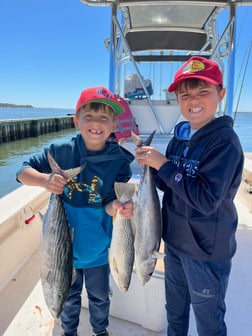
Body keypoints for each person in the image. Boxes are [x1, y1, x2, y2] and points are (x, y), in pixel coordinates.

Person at [135, 56, 244, 336]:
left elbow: (206, 201)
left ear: (221, 94)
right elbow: (168, 184)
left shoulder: (225, 142)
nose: (193, 100)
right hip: (174, 244)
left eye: (203, 92)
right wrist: (152, 168)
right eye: (185, 95)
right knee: (175, 314)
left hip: (206, 252)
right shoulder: (180, 137)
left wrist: (164, 165)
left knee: (209, 322)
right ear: (178, 101)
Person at [16, 86, 135, 336]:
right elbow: (22, 172)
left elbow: (110, 202)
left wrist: (116, 207)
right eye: (89, 116)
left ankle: (100, 331)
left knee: (100, 298)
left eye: (104, 117)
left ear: (114, 123)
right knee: (69, 300)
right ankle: (68, 331)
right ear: (76, 120)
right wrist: (46, 181)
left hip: (98, 251)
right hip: (61, 251)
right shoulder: (60, 150)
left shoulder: (119, 161)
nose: (96, 123)